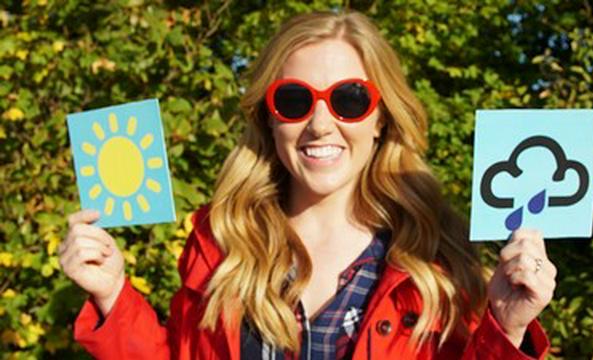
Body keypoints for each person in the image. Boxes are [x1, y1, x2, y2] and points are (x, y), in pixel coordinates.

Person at [59, 10, 556, 359]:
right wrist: (112, 297)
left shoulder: (437, 259)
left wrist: (507, 331)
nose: (320, 124)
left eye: (350, 99)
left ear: (381, 118)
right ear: (269, 118)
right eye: (295, 100)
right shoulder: (220, 242)